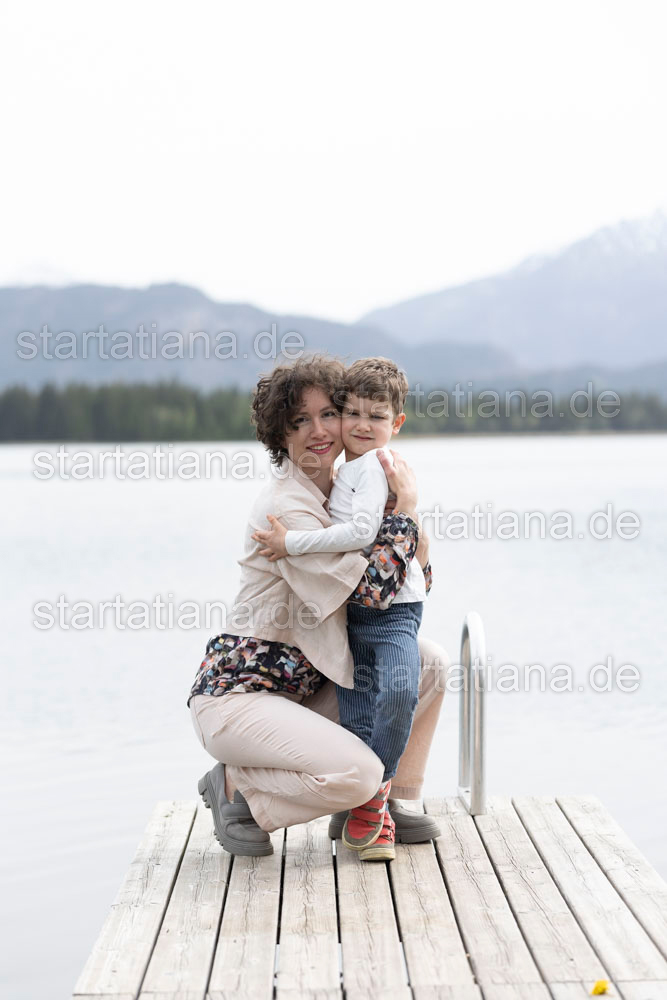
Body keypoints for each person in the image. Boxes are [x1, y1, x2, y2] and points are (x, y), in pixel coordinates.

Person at [187, 354, 447, 858]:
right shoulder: (286, 508)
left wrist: (412, 533)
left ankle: (380, 807)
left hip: (305, 688)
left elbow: (412, 583)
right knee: (359, 774)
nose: (320, 430)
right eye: (300, 420)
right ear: (279, 434)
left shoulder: (345, 491)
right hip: (241, 697)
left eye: (329, 413)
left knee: (428, 664)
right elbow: (372, 591)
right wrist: (408, 511)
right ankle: (239, 789)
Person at [251, 357, 428, 861]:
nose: (355, 425)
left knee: (402, 685)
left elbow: (385, 578)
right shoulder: (320, 486)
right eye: (352, 413)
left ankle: (377, 797)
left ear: (396, 423)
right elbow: (371, 578)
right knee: (358, 715)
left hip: (384, 614)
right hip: (292, 655)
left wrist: (409, 517)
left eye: (329, 414)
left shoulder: (372, 469)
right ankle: (360, 807)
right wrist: (407, 515)